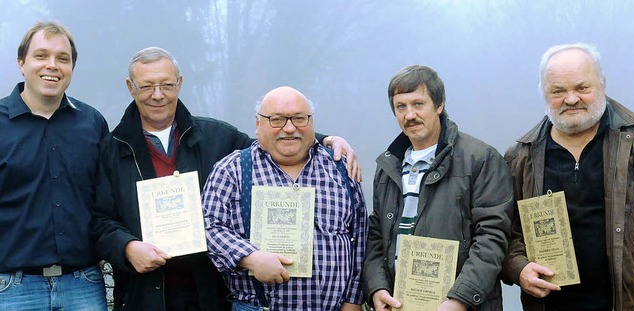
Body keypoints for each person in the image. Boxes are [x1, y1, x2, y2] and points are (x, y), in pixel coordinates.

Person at [90, 47, 360, 311]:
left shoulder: (217, 136)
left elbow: (274, 138)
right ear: (130, 87)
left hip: (209, 291)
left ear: (180, 84)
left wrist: (325, 139)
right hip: (145, 292)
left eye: (166, 85)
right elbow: (101, 221)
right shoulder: (111, 149)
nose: (158, 95)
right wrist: (127, 248)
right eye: (147, 86)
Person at [202, 86, 368, 310]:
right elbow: (208, 227)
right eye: (277, 119)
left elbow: (360, 238)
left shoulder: (341, 169)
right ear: (258, 123)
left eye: (299, 118)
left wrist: (353, 300)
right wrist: (249, 257)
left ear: (311, 122)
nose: (289, 128)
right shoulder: (232, 170)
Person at [363, 65, 513, 311]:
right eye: (401, 107)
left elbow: (492, 237)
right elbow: (377, 236)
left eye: (418, 104)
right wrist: (377, 289)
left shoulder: (481, 159)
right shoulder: (387, 166)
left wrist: (460, 299)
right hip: (398, 304)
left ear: (439, 105)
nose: (409, 115)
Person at [502, 43, 634, 310]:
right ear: (544, 94)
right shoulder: (519, 158)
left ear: (603, 84)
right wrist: (518, 268)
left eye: (582, 88)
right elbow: (504, 232)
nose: (571, 99)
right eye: (558, 91)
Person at [0, 21, 108, 310]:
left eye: (63, 58)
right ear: (22, 63)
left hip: (83, 284)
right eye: (41, 55)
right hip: (12, 288)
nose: (53, 65)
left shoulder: (92, 123)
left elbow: (107, 200)